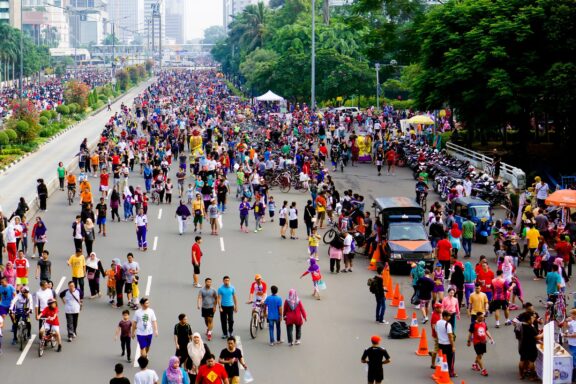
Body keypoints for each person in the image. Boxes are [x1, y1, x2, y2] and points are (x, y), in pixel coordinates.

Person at [468, 311, 494, 377]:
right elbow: (470, 333)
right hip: (476, 342)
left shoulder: (484, 323)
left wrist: (491, 338)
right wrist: (468, 341)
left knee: (481, 355)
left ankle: (474, 364)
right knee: (479, 356)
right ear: (477, 317)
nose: (482, 318)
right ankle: (483, 370)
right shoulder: (473, 324)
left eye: (483, 317)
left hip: (483, 341)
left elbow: (486, 331)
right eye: (481, 317)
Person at [436, 310, 456, 377]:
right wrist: (453, 346)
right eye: (448, 316)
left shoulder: (438, 322)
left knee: (442, 358)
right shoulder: (448, 324)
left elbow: (436, 331)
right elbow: (450, 336)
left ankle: (442, 371)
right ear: (444, 316)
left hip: (440, 344)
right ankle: (450, 372)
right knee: (450, 359)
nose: (449, 317)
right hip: (447, 345)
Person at [563, 309, 576, 379]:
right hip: (571, 343)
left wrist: (567, 335)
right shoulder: (573, 321)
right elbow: (566, 327)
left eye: (571, 314)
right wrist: (566, 321)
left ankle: (574, 377)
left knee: (574, 361)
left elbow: (575, 335)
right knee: (573, 359)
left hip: (575, 344)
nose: (570, 316)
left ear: (574, 315)